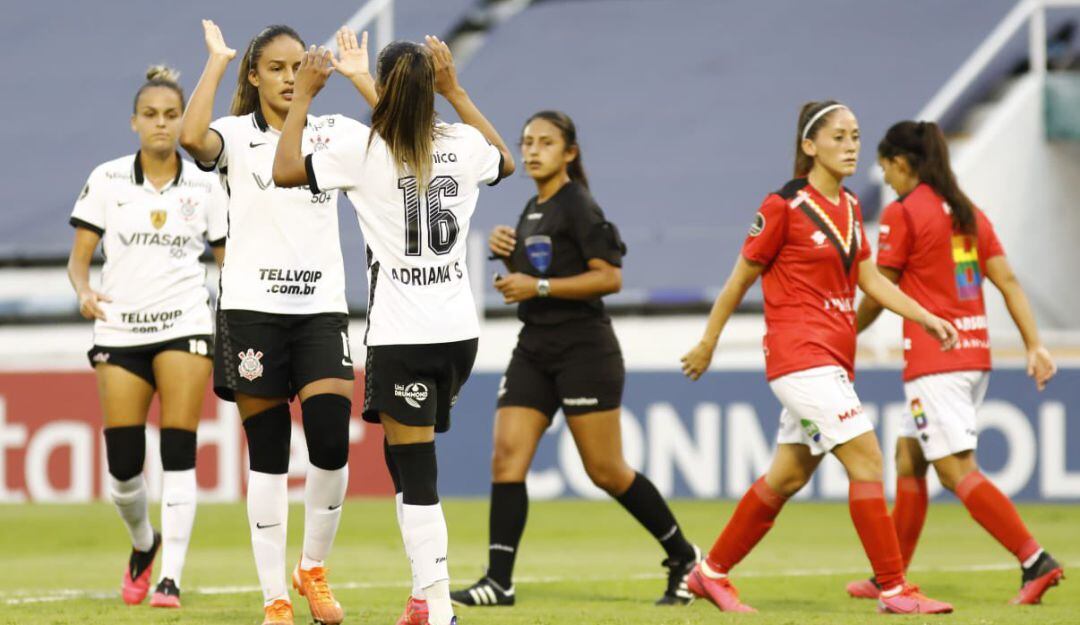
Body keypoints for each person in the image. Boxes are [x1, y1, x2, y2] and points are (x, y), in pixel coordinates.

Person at [679, 101, 960, 614]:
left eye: (855, 136)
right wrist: (708, 342)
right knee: (868, 459)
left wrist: (923, 315)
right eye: (839, 137)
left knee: (787, 476)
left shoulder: (852, 207)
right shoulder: (783, 205)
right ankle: (894, 589)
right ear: (809, 146)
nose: (852, 145)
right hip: (799, 358)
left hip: (831, 359)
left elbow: (870, 281)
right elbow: (738, 280)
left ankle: (710, 573)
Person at [272, 32, 515, 625]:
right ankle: (419, 599)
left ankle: (439, 609)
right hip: (458, 332)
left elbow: (283, 170)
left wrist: (304, 97)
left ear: (383, 94)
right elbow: (504, 161)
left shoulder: (361, 149)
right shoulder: (461, 143)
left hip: (403, 334)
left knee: (418, 471)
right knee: (406, 464)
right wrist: (455, 90)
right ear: (434, 86)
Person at [450, 110, 700, 609]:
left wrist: (535, 284)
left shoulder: (579, 206)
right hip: (535, 347)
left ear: (570, 152)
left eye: (545, 142)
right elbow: (536, 272)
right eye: (526, 141)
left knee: (605, 470)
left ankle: (685, 558)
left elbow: (609, 277)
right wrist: (510, 256)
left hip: (584, 350)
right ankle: (499, 581)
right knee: (506, 458)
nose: (532, 149)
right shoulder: (533, 207)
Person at [179, 21, 375, 625]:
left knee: (331, 446)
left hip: (319, 310)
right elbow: (192, 139)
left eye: (298, 67)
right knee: (266, 454)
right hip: (252, 314)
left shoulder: (333, 132)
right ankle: (275, 598)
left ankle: (312, 567)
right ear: (256, 76)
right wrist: (215, 61)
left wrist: (363, 78)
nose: (290, 77)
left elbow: (405, 136)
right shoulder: (235, 136)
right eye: (278, 68)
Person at [843, 120, 1063, 605]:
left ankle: (1035, 560)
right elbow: (1007, 282)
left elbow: (882, 291)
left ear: (902, 163)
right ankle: (889, 578)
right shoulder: (969, 213)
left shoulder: (905, 214)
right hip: (973, 355)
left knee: (956, 471)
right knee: (909, 456)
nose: (888, 180)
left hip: (935, 360)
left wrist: (844, 332)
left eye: (886, 170)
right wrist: (1034, 345)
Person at [67, 65, 227, 609]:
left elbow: (229, 260)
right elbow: (78, 262)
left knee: (179, 452)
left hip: (185, 324)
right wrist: (83, 291)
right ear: (134, 122)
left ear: (183, 120)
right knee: (123, 468)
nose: (161, 124)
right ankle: (144, 543)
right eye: (151, 115)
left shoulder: (206, 184)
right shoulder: (107, 179)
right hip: (120, 326)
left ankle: (171, 578)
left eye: (171, 115)